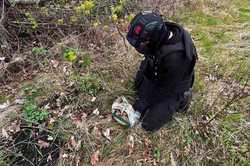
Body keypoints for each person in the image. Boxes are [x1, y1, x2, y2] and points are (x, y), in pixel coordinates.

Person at [126, 11, 197, 131]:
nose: (142, 46)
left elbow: (165, 89)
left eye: (144, 42)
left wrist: (143, 103)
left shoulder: (177, 58)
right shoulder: (162, 35)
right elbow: (149, 56)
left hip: (174, 86)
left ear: (154, 38)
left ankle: (183, 99)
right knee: (137, 87)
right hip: (160, 70)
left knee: (148, 124)